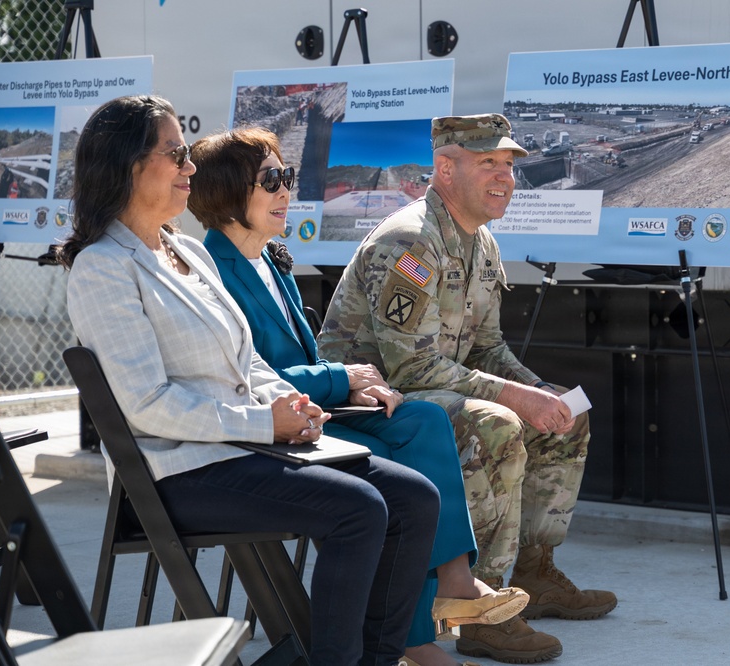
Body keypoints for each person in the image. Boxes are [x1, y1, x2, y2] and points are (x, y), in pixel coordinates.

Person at [59, 94, 440, 666]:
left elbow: (247, 361)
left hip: (237, 450)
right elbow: (146, 404)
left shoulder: (185, 250)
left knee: (414, 497)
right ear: (130, 165)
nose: (189, 167)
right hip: (178, 471)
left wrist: (291, 402)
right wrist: (265, 423)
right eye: (177, 154)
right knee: (359, 509)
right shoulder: (102, 268)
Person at [186, 126, 528, 666]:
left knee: (421, 421)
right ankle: (414, 636)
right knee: (396, 468)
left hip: (325, 404)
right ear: (227, 194)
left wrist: (362, 387)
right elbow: (251, 379)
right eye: (271, 180)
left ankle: (455, 580)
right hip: (275, 424)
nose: (286, 192)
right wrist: (342, 379)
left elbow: (307, 357)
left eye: (288, 177)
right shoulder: (214, 274)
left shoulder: (269, 261)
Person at [318, 114, 617, 664]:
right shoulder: (412, 242)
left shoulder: (480, 242)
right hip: (371, 400)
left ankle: (534, 570)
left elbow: (485, 347)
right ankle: (478, 608)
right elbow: (408, 367)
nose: (504, 177)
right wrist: (514, 399)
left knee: (564, 417)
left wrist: (536, 392)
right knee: (497, 424)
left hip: (432, 386)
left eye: (507, 165)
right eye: (488, 164)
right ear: (445, 168)